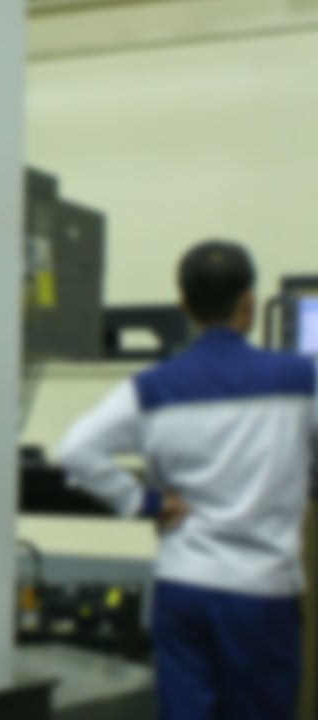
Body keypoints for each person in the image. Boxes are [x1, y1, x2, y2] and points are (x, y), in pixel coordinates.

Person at [58, 240, 313, 720]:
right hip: (264, 593)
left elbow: (76, 450)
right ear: (249, 303)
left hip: (185, 587)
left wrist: (145, 503)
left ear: (186, 307)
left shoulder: (153, 387)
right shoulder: (299, 379)